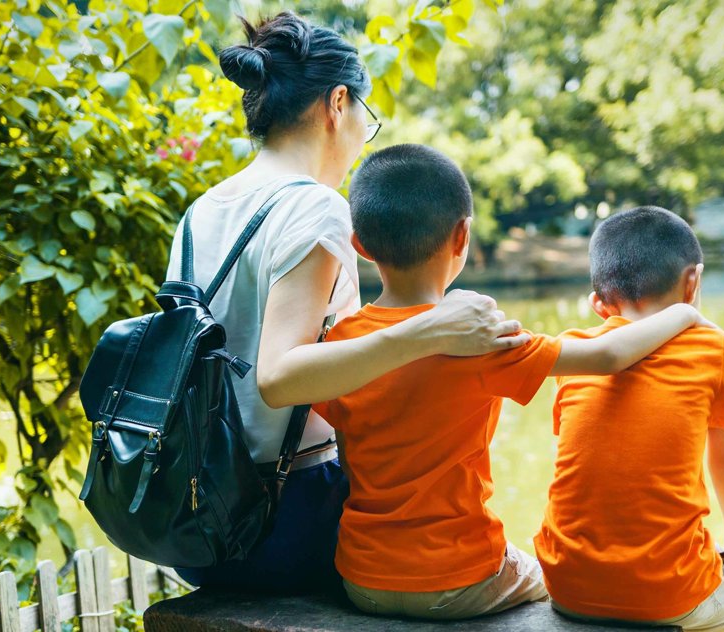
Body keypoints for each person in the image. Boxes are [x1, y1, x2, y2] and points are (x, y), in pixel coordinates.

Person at [164, 13, 530, 593]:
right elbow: (280, 379)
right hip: (286, 521)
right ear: (339, 103)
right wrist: (433, 328)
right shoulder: (316, 206)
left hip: (195, 524)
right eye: (368, 118)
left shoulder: (203, 209)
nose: (364, 134)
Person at [311, 145, 711, 620]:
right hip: (459, 576)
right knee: (548, 583)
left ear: (359, 245)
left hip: (362, 578)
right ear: (462, 236)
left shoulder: (343, 343)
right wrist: (685, 312)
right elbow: (607, 356)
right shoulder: (479, 337)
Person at [534, 206, 724, 631]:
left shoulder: (572, 352)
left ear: (598, 304)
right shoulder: (713, 347)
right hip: (666, 592)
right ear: (693, 282)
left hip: (567, 584)